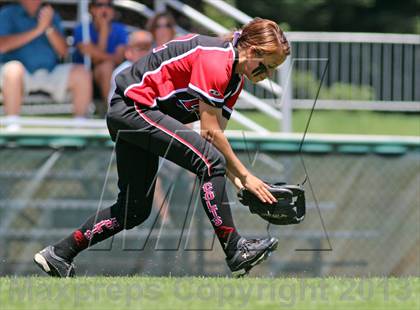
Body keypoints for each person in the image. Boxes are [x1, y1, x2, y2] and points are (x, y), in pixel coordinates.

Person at [34, 18, 291, 278]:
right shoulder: (217, 59)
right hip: (134, 108)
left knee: (133, 210)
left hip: (134, 113)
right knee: (210, 162)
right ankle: (235, 249)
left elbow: (215, 140)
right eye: (267, 66)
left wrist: (241, 183)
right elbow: (210, 135)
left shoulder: (234, 79)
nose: (267, 75)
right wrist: (246, 176)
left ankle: (59, 253)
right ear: (252, 50)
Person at [0, 0, 92, 130]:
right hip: (20, 75)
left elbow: (63, 52)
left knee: (82, 73)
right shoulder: (7, 14)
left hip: (50, 72)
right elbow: (2, 45)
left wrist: (48, 27)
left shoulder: (51, 16)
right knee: (13, 70)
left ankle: (80, 128)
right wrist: (38, 30)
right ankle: (13, 127)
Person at [73, 0, 128, 110]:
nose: (104, 9)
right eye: (99, 5)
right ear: (91, 9)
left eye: (108, 5)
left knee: (106, 66)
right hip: (85, 77)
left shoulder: (119, 29)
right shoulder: (82, 29)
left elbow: (119, 59)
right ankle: (112, 112)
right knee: (106, 66)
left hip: (112, 77)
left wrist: (95, 51)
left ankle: (111, 112)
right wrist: (104, 30)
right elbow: (95, 60)